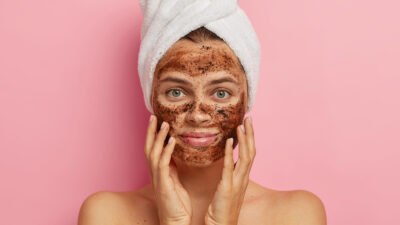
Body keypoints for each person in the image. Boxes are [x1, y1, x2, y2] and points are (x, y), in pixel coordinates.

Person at [78, 27, 327, 225]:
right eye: (176, 92)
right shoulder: (106, 215)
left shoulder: (296, 215)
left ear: (246, 101)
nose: (197, 115)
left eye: (220, 93)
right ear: (151, 100)